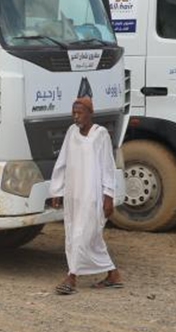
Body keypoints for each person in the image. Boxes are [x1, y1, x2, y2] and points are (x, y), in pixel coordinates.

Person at [47, 97, 123, 294]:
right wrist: (57, 190)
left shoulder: (100, 135)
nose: (76, 116)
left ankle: (71, 278)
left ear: (90, 113)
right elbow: (62, 161)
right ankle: (113, 275)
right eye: (74, 112)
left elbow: (108, 166)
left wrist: (108, 196)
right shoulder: (72, 133)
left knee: (83, 234)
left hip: (93, 194)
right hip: (74, 193)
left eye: (80, 112)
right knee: (81, 236)